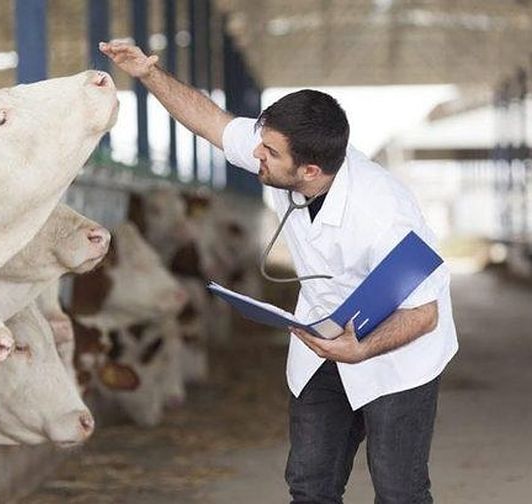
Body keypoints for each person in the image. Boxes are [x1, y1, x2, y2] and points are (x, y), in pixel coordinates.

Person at [100, 39, 458, 503]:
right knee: (310, 485)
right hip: (320, 339)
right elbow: (210, 121)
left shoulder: (384, 214)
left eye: (268, 151)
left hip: (396, 354)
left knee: (399, 491)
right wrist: (148, 74)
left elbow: (423, 313)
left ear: (309, 170)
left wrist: (362, 348)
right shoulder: (285, 153)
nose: (257, 156)